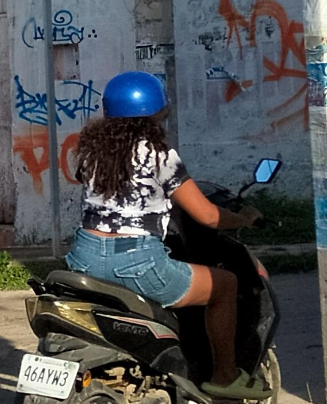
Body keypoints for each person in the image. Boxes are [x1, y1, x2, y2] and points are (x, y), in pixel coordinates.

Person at [65, 71, 270, 401]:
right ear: (156, 115)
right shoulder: (160, 157)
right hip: (137, 262)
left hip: (84, 258)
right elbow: (207, 215)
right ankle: (224, 375)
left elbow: (118, 196)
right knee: (226, 284)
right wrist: (244, 219)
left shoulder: (90, 154)